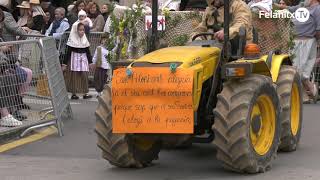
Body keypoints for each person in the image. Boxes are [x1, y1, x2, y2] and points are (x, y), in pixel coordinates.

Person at [285, 0, 320, 102]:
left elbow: (318, 30)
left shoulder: (317, 9)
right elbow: (288, 9)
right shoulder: (302, 6)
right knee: (296, 70)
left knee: (298, 71)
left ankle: (306, 92)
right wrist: (272, 5)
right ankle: (308, 92)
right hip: (294, 42)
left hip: (307, 42)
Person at [62, 22, 93, 100]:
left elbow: (88, 51)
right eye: (80, 30)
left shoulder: (84, 40)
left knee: (84, 75)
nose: (82, 32)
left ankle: (85, 92)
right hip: (74, 59)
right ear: (76, 30)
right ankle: (74, 93)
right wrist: (65, 64)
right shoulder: (72, 41)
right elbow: (67, 53)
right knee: (74, 76)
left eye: (83, 30)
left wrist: (90, 62)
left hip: (83, 59)